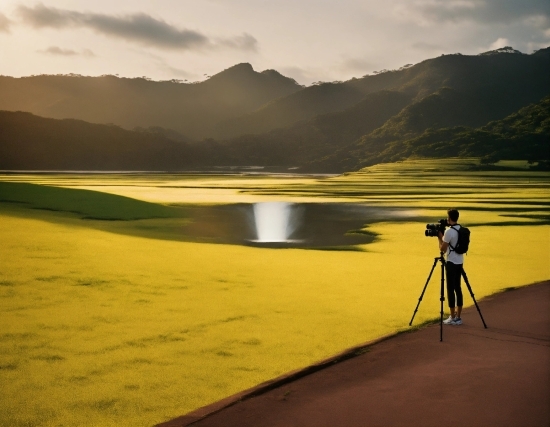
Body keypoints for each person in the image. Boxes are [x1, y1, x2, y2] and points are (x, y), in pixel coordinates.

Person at [438, 208, 464, 325]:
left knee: (450, 289)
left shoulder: (449, 232)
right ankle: (458, 317)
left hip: (451, 263)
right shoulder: (460, 229)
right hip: (460, 262)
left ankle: (452, 317)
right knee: (458, 288)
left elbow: (442, 249)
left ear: (449, 218)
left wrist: (440, 237)